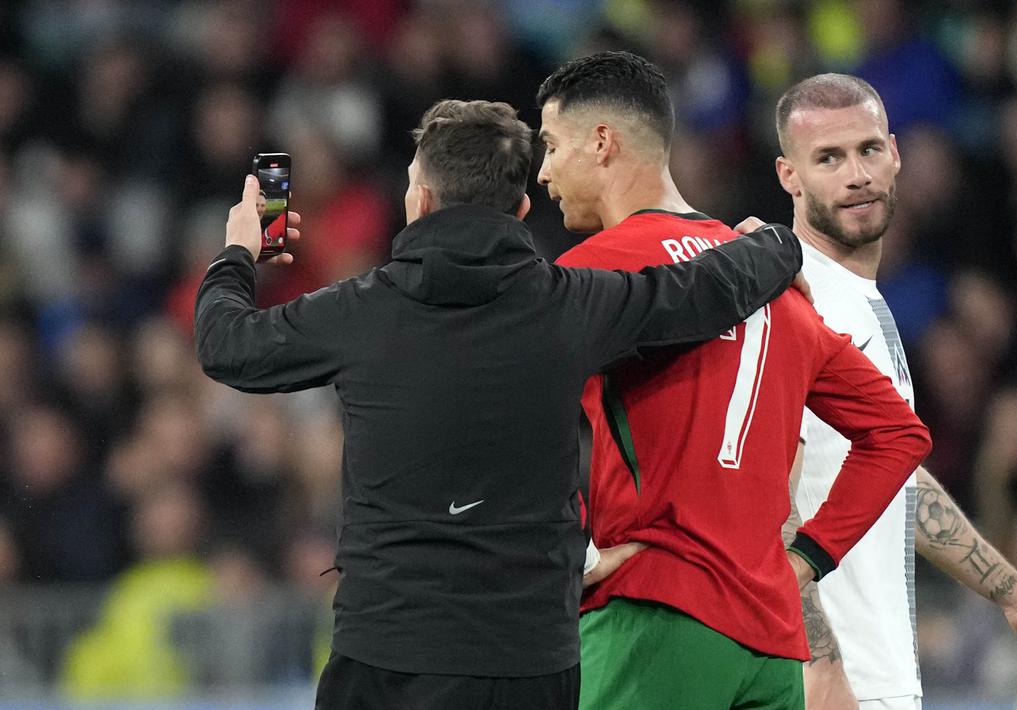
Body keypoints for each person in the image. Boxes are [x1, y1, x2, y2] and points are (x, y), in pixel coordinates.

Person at [194, 98, 808, 710]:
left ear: (421, 202)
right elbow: (700, 291)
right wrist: (777, 244)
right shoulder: (572, 308)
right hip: (530, 662)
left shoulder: (359, 312)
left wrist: (239, 253)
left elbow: (226, 345)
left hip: (387, 656)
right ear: (520, 210)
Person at [537, 51, 932, 709]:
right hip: (771, 645)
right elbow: (899, 433)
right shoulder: (777, 284)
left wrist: (572, 555)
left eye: (551, 146)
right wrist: (806, 560)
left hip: (656, 613)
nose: (544, 170)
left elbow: (500, 419)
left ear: (601, 143)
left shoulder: (589, 277)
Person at [773, 73, 1017, 710]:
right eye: (828, 158)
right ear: (790, 175)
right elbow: (769, 503)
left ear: (895, 154)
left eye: (868, 150)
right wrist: (820, 666)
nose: (857, 175)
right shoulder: (791, 300)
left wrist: (1016, 595)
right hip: (826, 688)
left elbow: (893, 480)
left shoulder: (861, 304)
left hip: (877, 681)